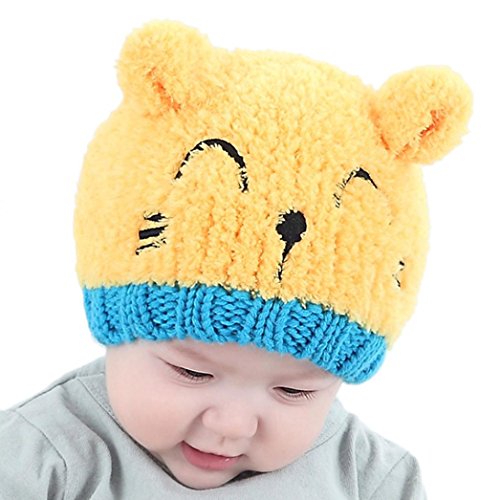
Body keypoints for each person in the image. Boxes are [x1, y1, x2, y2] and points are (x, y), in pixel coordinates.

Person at [0, 20, 471, 499]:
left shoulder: (369, 480)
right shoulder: (40, 460)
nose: (233, 425)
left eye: (294, 391)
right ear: (114, 325)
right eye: (192, 373)